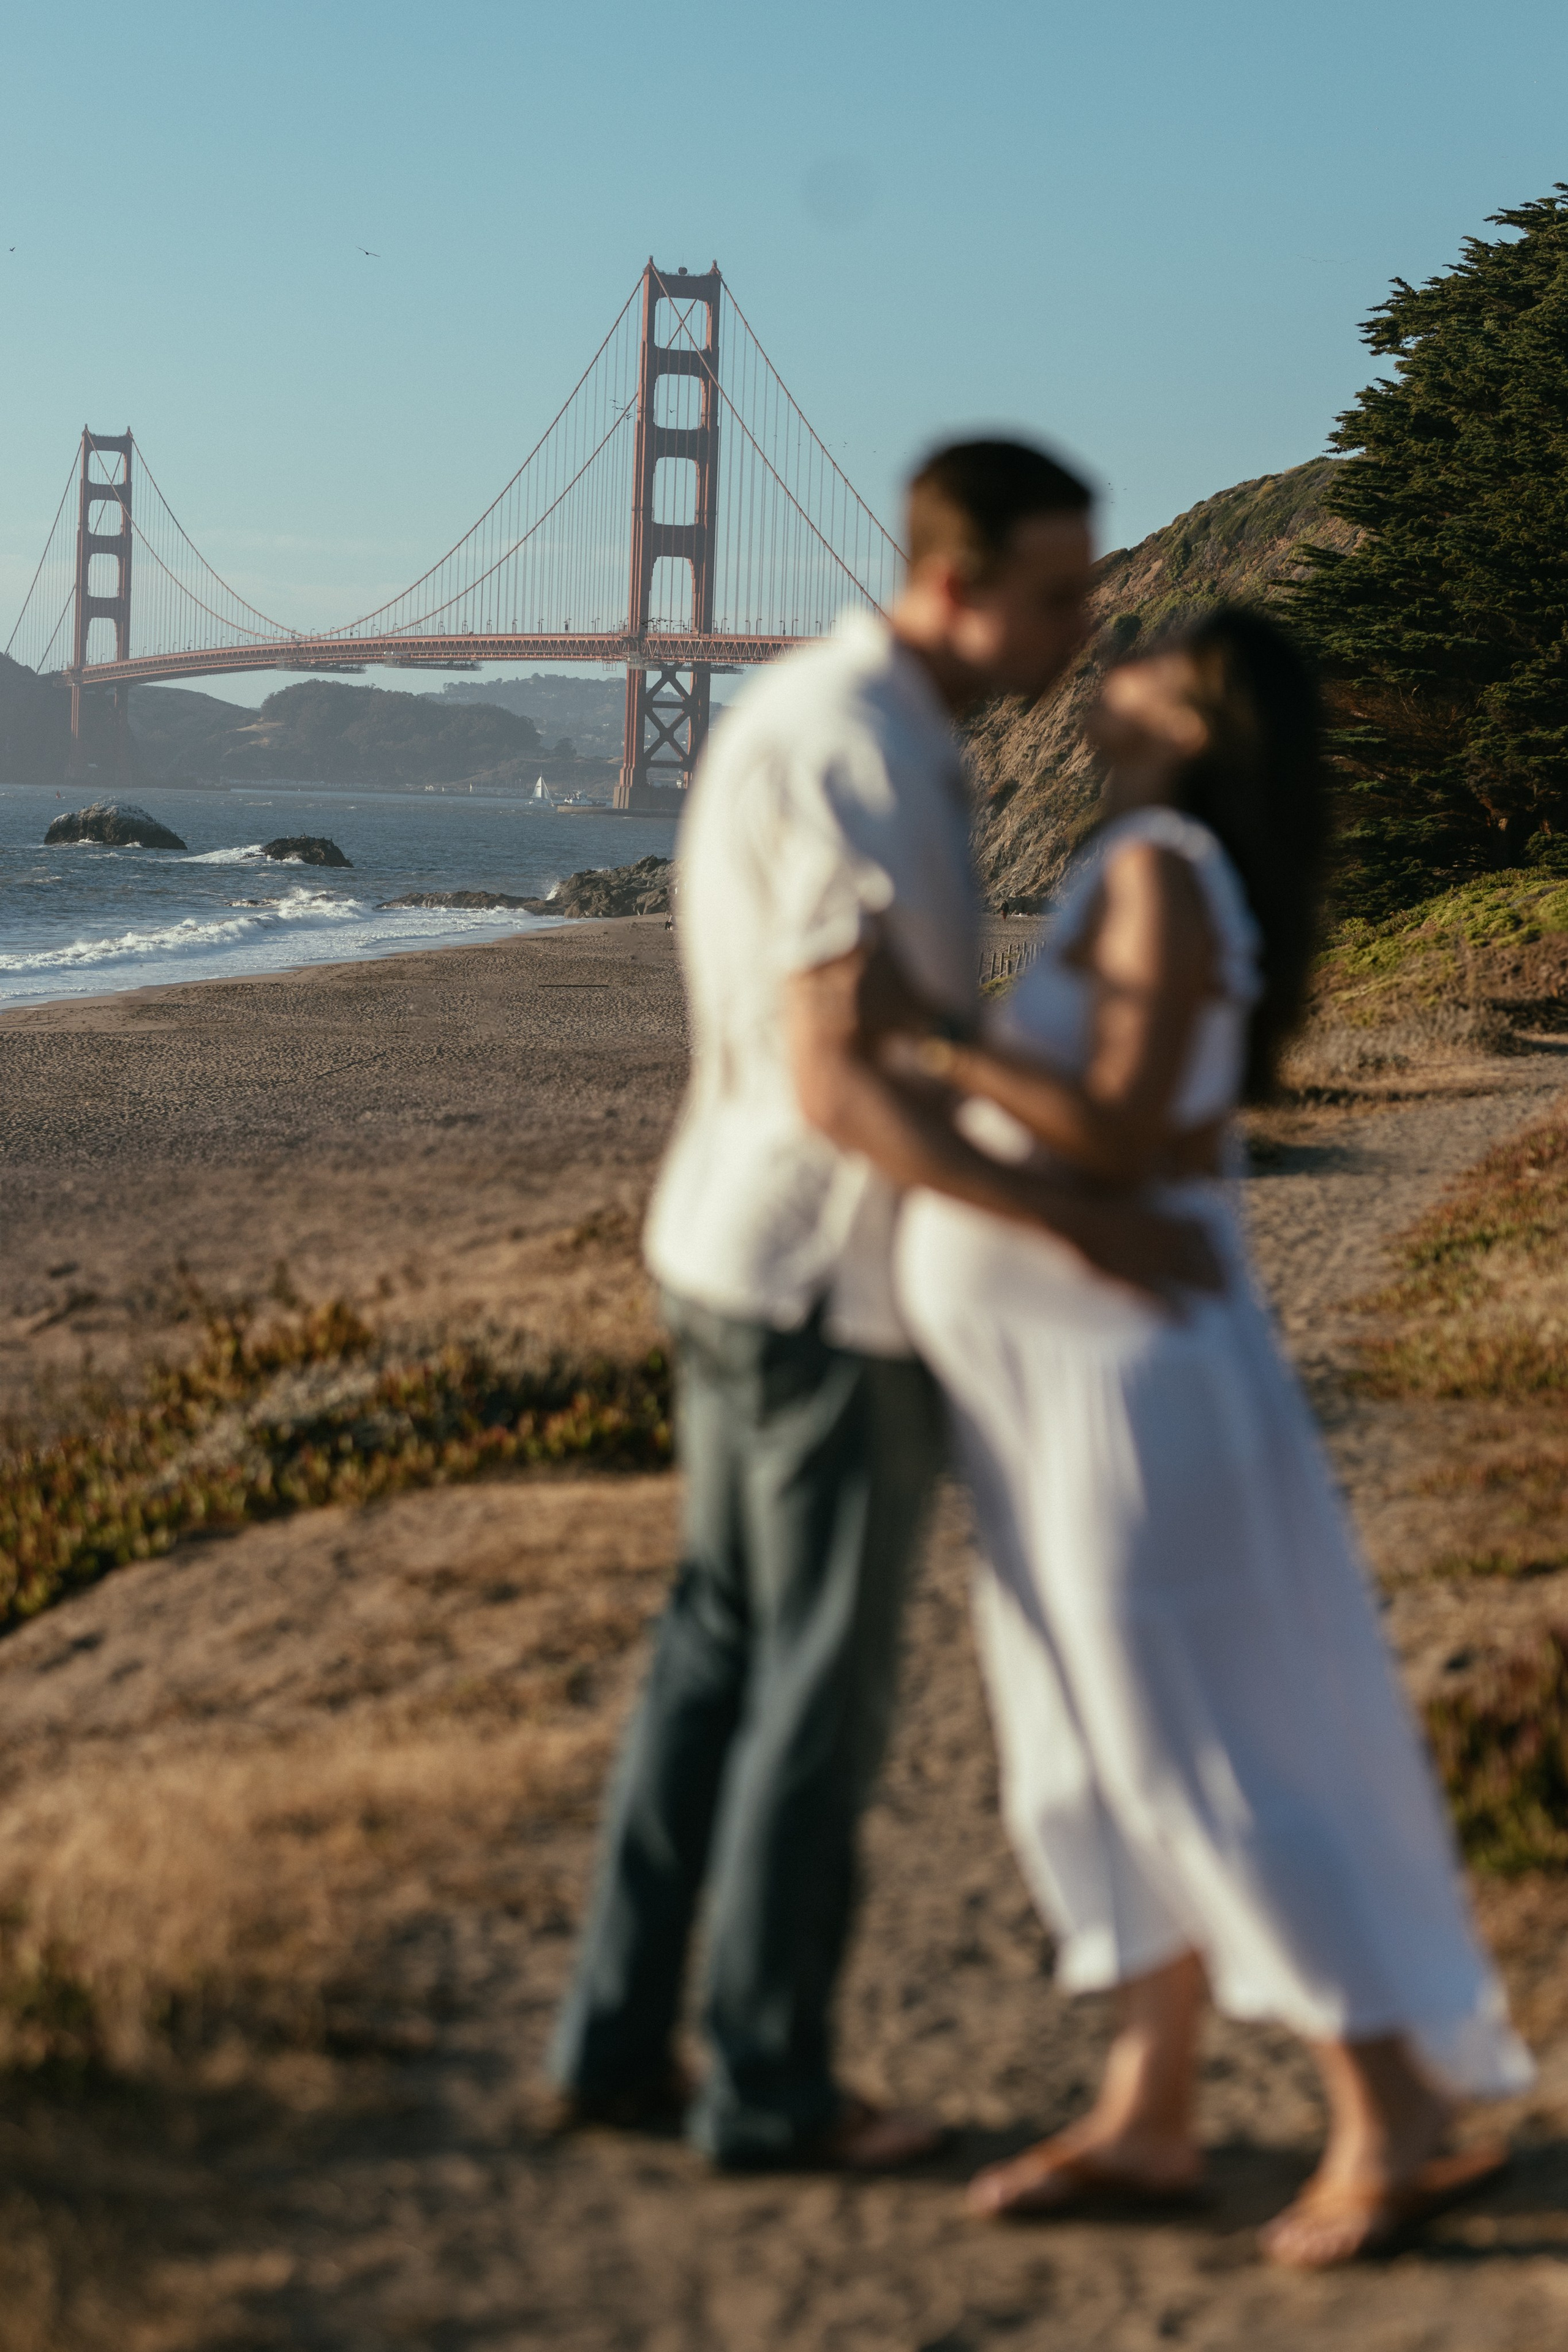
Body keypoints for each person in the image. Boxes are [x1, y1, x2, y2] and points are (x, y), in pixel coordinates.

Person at [546, 440, 1221, 2173]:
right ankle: (766, 2092)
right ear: (954, 582)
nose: (1085, 625)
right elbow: (845, 1079)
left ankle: (617, 2046)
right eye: (1061, 594)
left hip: (726, 1247)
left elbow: (888, 1028)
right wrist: (1081, 1217)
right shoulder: (855, 744)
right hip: (817, 1290)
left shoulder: (853, 716)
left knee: (714, 1651)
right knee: (815, 1704)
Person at [891, 606, 1534, 2264]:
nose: (1100, 680)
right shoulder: (1152, 866)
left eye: (1144, 665)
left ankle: (1386, 2108)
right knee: (1087, 1745)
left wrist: (940, 1031)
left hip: (1125, 1385)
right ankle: (1150, 2107)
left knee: (1186, 1741)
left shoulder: (1161, 866)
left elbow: (1117, 1128)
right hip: (1063, 1381)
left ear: (1199, 721)